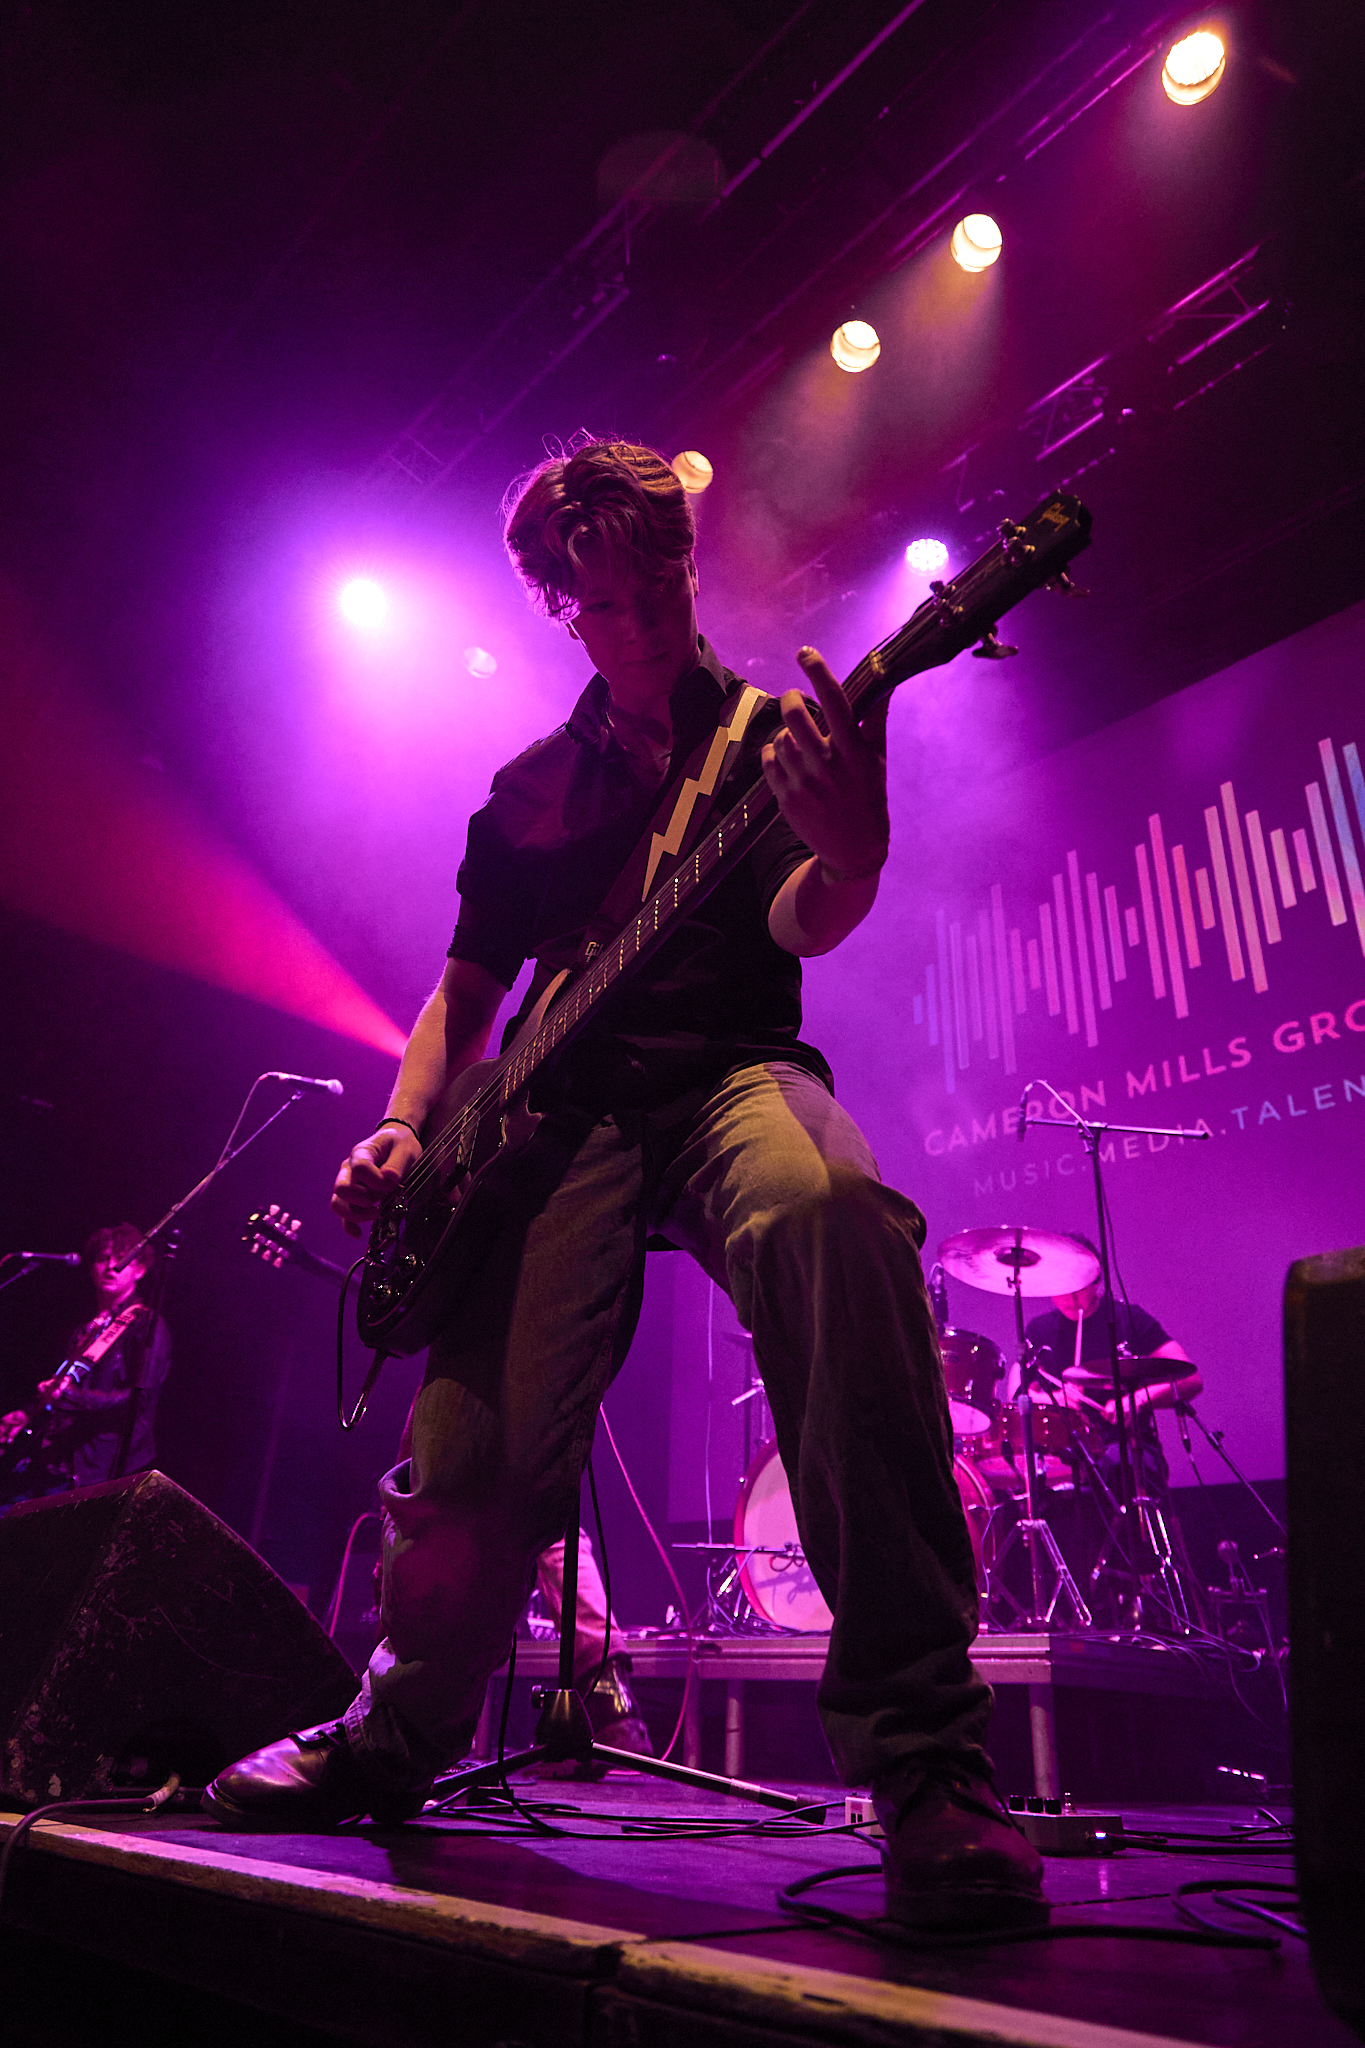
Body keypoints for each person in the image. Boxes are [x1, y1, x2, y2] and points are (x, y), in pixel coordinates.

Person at [203, 438, 1045, 1930]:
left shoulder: (777, 733)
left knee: (833, 1212)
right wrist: (405, 1127)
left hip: (729, 1074)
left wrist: (854, 850)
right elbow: (467, 1000)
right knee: (477, 1456)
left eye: (662, 577)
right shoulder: (525, 793)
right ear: (558, 606)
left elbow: (803, 914)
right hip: (558, 1122)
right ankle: (393, 1733)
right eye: (607, 595)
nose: (645, 613)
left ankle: (927, 1762)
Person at [0, 1224, 171, 1497]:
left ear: (140, 1270)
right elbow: (66, 1387)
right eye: (103, 1258)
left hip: (92, 1468)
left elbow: (140, 1399)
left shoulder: (146, 1326)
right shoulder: (85, 1327)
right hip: (52, 1461)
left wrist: (73, 1398)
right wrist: (30, 1414)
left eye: (122, 1259)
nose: (111, 1266)